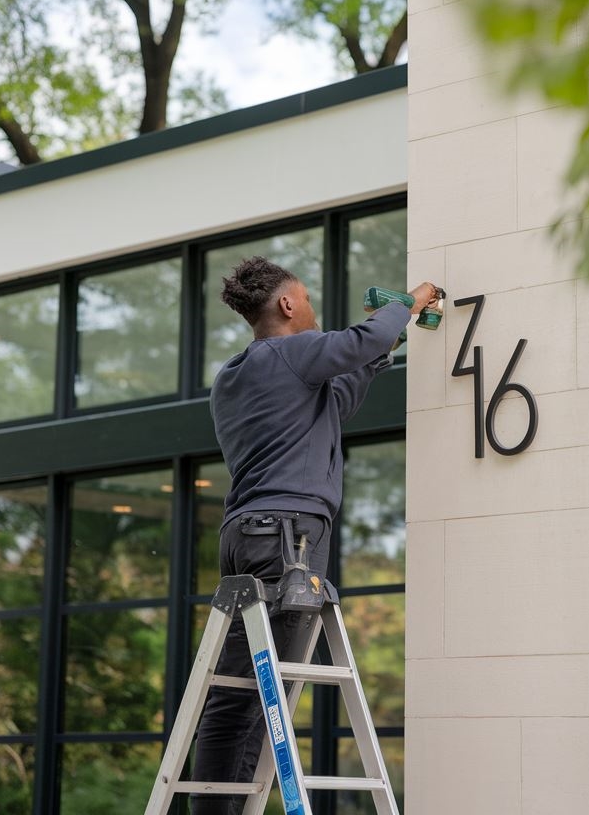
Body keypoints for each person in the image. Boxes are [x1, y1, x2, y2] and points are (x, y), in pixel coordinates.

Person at [190, 256, 439, 814]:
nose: (312, 309)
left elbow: (340, 391)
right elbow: (357, 341)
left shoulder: (237, 375)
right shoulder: (292, 353)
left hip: (249, 535)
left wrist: (384, 346)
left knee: (244, 693)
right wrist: (412, 300)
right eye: (306, 298)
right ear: (286, 305)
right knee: (255, 698)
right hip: (289, 537)